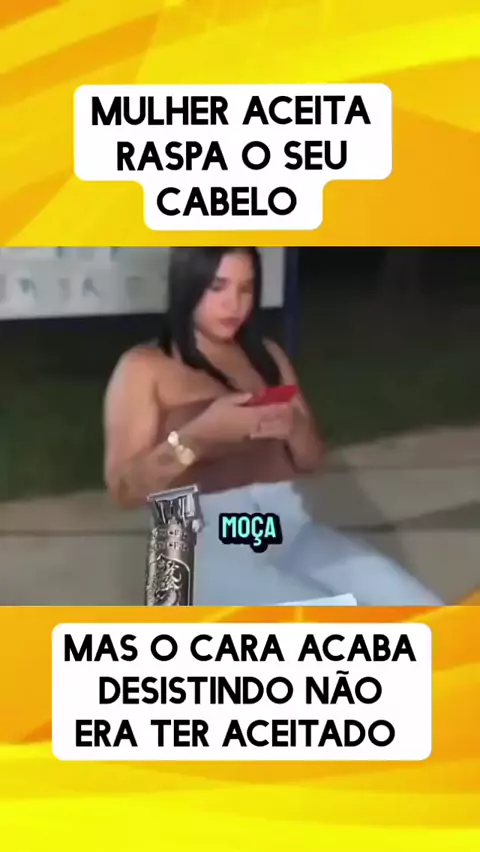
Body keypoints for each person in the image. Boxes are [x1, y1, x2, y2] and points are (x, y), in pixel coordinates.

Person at [103, 247, 443, 607]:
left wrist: (294, 427)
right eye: (218, 287)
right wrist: (197, 438)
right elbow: (124, 490)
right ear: (188, 284)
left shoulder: (266, 355)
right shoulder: (145, 367)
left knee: (418, 610)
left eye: (246, 288)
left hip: (285, 527)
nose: (233, 304)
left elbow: (311, 459)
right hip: (189, 545)